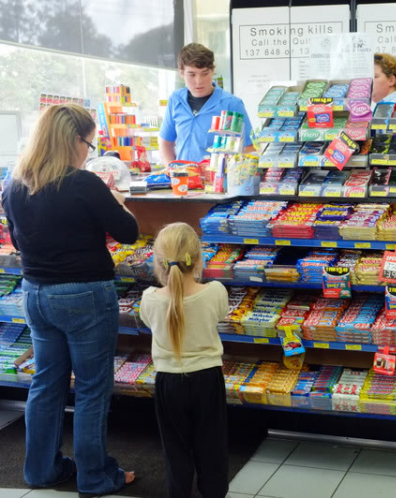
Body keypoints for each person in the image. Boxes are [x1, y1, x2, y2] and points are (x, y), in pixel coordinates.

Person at [2, 104, 138, 496]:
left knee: (46, 384)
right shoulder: (84, 183)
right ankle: (95, 477)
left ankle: (41, 470)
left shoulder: (14, 183)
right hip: (84, 296)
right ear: (73, 139)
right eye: (89, 142)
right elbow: (128, 232)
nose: (89, 150)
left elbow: (16, 239)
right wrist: (115, 197)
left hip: (35, 295)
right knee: (93, 388)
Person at [139, 223, 229, 498]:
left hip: (168, 382)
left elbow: (148, 323)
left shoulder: (149, 299)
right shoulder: (215, 292)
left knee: (175, 449)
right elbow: (220, 316)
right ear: (199, 259)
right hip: (207, 378)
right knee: (211, 445)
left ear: (158, 263)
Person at [159, 43, 255, 165]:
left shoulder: (231, 104)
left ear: (212, 71)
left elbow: (250, 148)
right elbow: (166, 142)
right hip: (182, 181)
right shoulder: (175, 100)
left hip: (219, 181)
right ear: (181, 73)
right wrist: (171, 170)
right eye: (192, 74)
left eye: (204, 73)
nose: (199, 81)